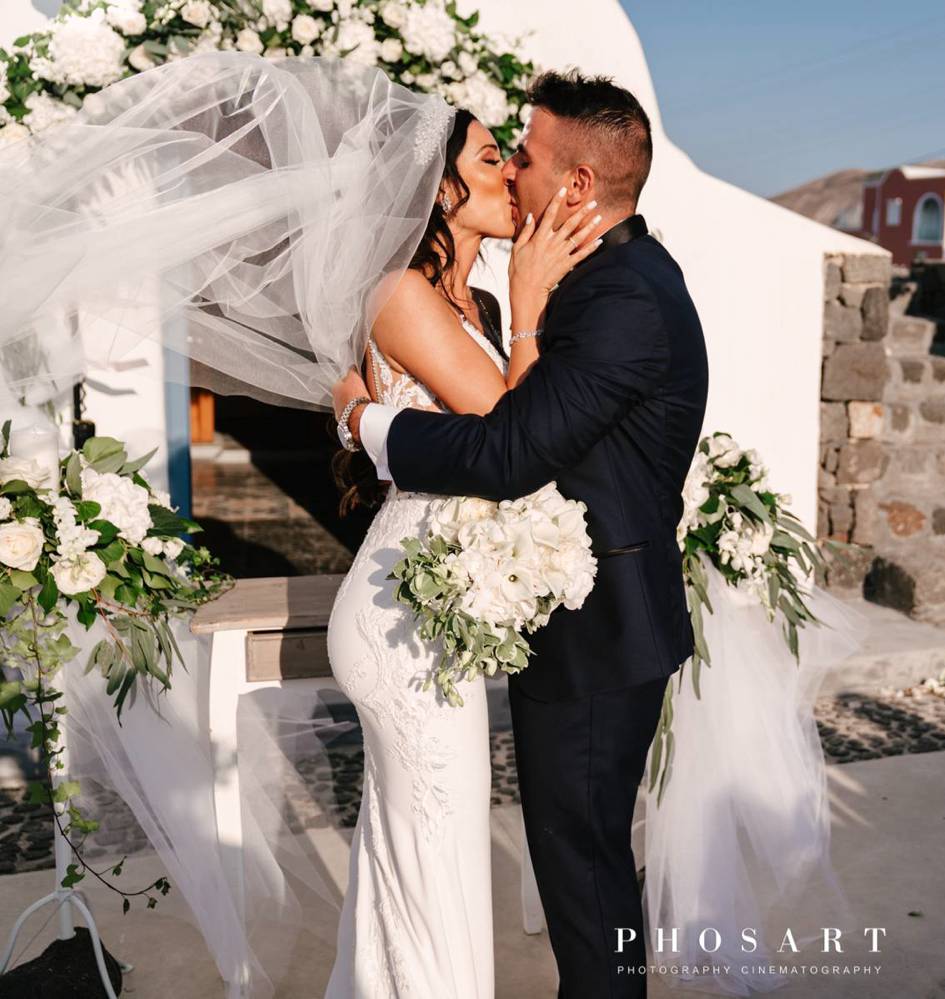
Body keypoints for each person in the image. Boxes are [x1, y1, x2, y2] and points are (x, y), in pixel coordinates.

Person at [332, 69, 710, 999]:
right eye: (496, 157)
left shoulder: (617, 297)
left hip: (599, 632)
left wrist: (366, 424)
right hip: (515, 614)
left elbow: (508, 451)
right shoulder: (600, 281)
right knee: (548, 863)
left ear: (577, 185)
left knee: (580, 873)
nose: (512, 172)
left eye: (524, 155)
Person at [321, 106, 606, 998]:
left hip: (437, 604)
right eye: (491, 159)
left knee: (411, 854)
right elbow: (514, 436)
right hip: (399, 613)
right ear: (438, 189)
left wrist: (514, 305)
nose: (512, 173)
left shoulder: (468, 304)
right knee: (435, 853)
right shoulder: (401, 294)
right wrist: (531, 305)